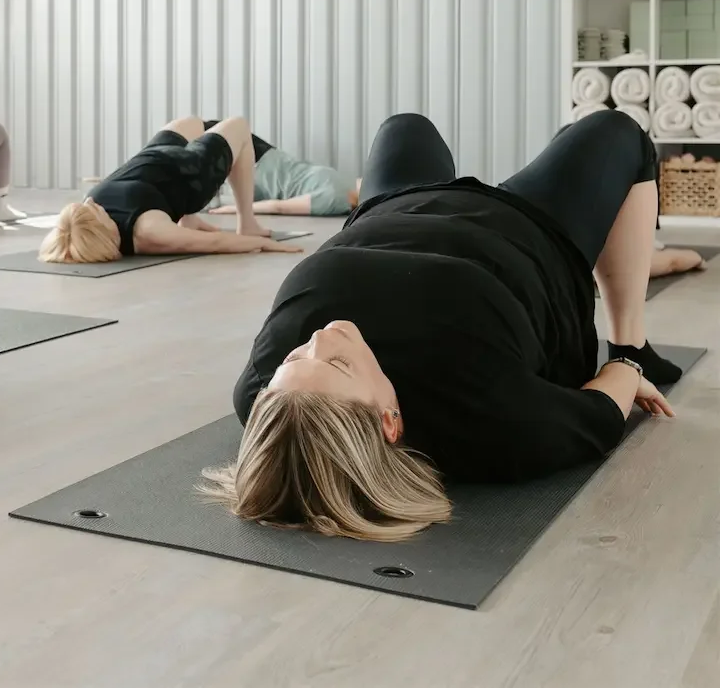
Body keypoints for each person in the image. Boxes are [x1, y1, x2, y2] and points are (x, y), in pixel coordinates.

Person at [201, 110, 680, 542]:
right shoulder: (494, 422)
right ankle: (634, 336)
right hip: (528, 229)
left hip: (395, 207)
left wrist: (315, 364)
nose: (322, 336)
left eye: (296, 355)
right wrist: (626, 365)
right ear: (390, 420)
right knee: (620, 133)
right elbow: (601, 408)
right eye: (340, 363)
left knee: (404, 126)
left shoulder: (266, 397)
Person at [38, 116, 303, 263]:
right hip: (190, 173)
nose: (92, 204)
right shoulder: (149, 233)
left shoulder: (85, 218)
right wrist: (265, 245)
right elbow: (217, 243)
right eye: (95, 211)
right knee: (239, 126)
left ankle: (188, 217)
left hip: (154, 160)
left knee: (191, 122)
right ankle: (248, 222)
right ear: (104, 230)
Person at [201, 121, 361, 216]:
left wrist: (230, 209)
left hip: (262, 162)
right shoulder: (344, 189)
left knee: (202, 131)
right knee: (202, 132)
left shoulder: (335, 199)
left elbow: (278, 207)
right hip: (262, 162)